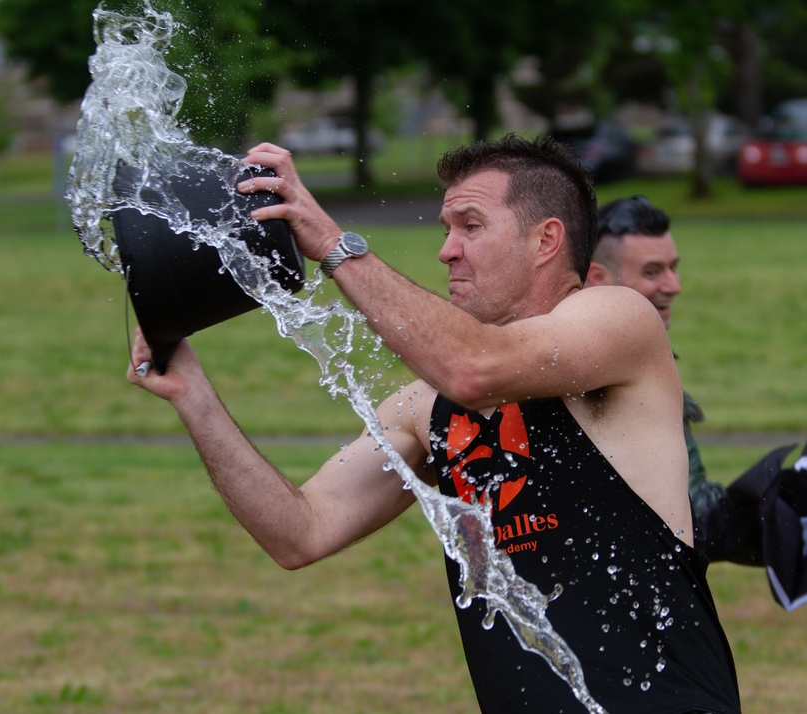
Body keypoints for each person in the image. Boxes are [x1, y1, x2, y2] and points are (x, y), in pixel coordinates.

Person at [126, 135, 741, 712]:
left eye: (470, 226)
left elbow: (476, 367)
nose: (447, 249)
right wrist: (192, 396)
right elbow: (300, 532)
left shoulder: (618, 320)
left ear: (546, 240)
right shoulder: (426, 406)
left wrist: (332, 243)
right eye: (447, 229)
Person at [587, 195, 807, 611]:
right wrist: (781, 512)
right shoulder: (593, 366)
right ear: (597, 277)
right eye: (653, 271)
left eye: (674, 267)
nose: (674, 285)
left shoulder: (604, 351)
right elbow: (684, 516)